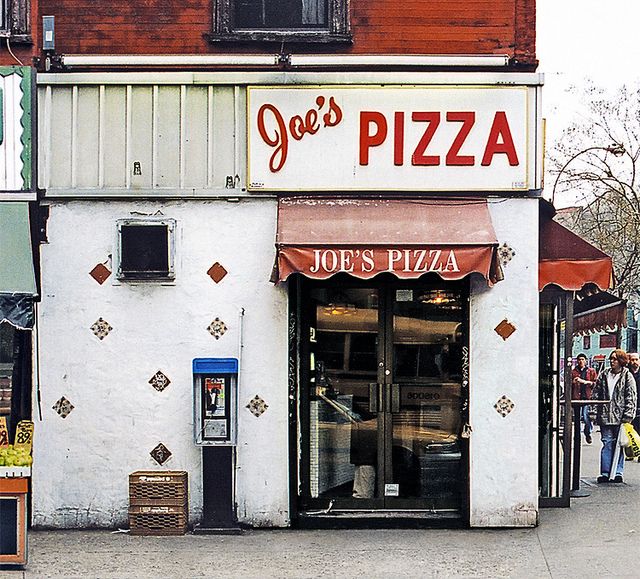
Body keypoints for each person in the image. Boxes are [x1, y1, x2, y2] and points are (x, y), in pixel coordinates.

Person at [591, 349, 637, 483]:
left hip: (620, 416)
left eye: (615, 359)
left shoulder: (627, 376)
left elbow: (631, 397)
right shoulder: (604, 374)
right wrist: (594, 411)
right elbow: (596, 393)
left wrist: (628, 416)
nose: (612, 361)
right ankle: (605, 473)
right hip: (605, 415)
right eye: (611, 358)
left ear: (621, 361)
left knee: (619, 444)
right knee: (607, 443)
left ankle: (617, 472)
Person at [571, 353, 598, 444]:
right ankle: (577, 435)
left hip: (587, 397)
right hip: (576, 397)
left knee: (585, 416)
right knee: (577, 418)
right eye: (579, 359)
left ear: (585, 360)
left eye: (582, 359)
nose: (581, 361)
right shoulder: (573, 372)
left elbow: (596, 383)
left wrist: (587, 382)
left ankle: (587, 432)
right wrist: (573, 382)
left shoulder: (591, 371)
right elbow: (569, 384)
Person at [629, 353, 640, 437]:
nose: (634, 362)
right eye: (632, 360)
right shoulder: (626, 373)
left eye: (636, 359)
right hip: (630, 406)